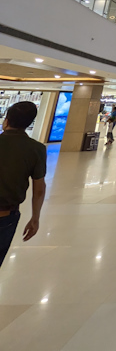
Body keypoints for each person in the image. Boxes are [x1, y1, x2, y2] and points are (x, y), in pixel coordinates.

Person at [0, 102, 47, 266]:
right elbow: (39, 190)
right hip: (6, 216)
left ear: (6, 120)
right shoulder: (36, 149)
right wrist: (35, 218)